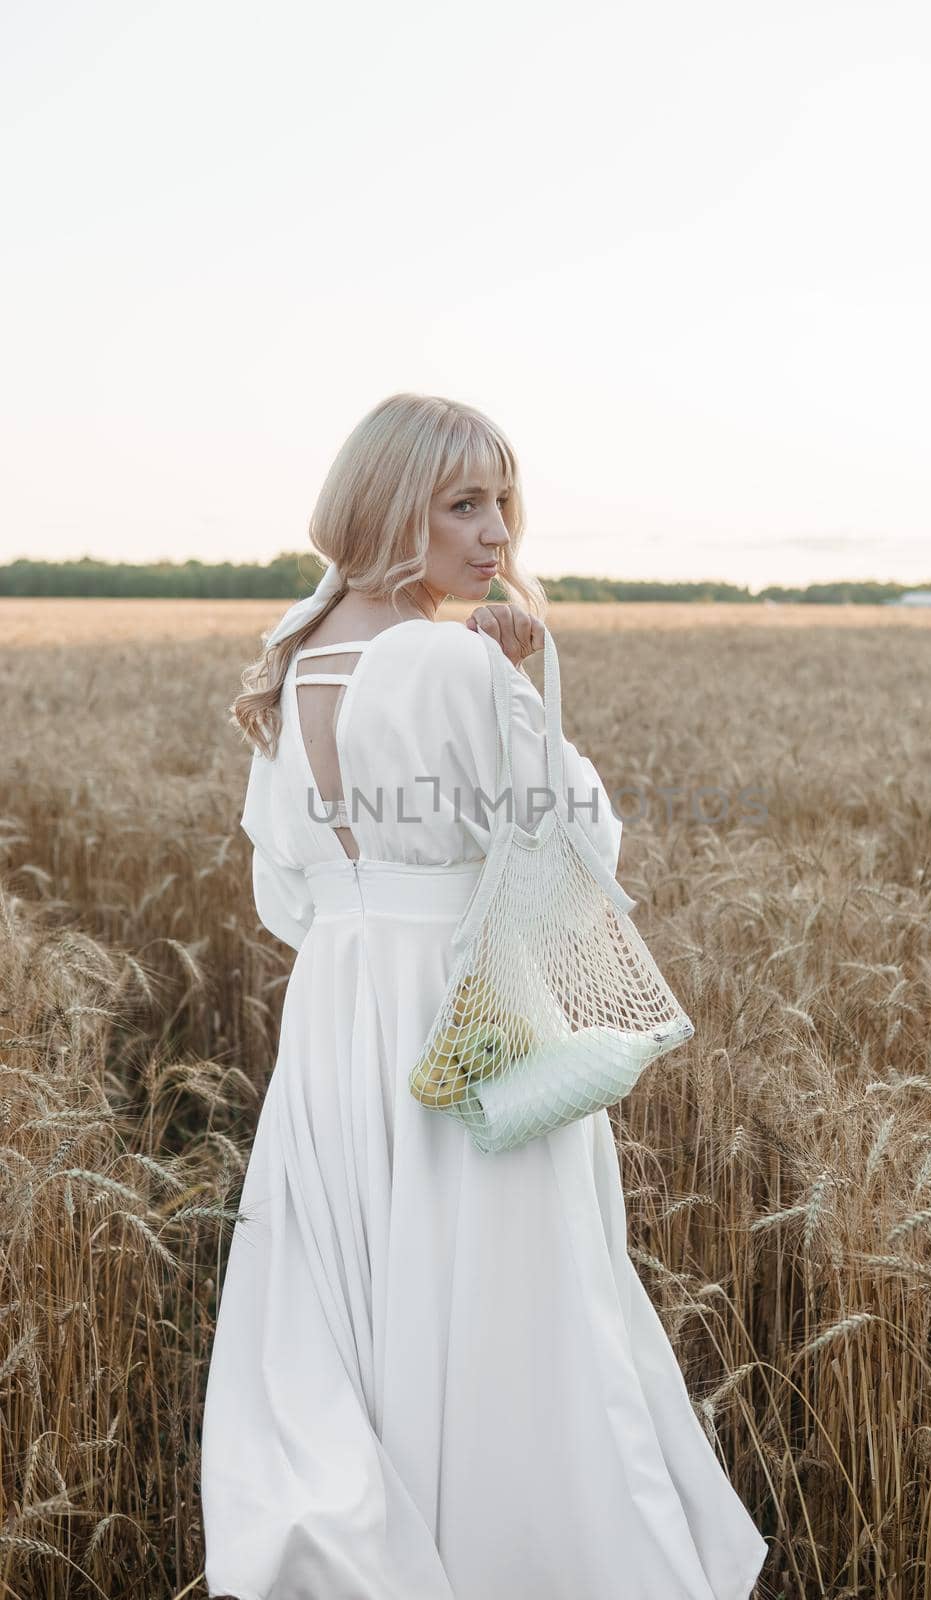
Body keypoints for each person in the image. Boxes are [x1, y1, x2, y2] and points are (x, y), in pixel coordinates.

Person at [199, 392, 768, 1600]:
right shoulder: (448, 659)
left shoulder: (294, 654)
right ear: (390, 507)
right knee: (509, 1305)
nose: (496, 532)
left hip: (338, 1013)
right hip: (468, 1014)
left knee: (348, 1296)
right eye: (462, 502)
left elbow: (286, 890)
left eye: (502, 500)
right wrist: (528, 690)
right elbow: (582, 851)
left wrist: (375, 923)